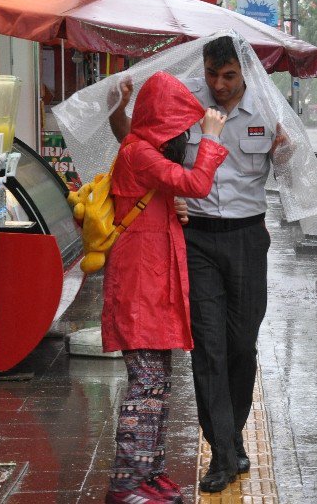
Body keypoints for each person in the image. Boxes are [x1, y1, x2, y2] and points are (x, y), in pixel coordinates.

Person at [110, 36, 285, 494]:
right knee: (208, 348)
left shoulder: (269, 109)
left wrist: (285, 151)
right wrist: (118, 113)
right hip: (198, 239)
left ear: (244, 72)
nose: (219, 85)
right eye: (212, 74)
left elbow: (289, 168)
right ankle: (222, 454)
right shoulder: (182, 102)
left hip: (248, 235)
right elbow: (141, 145)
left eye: (228, 76)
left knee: (241, 344)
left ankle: (232, 435)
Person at [103, 71, 229, 504]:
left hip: (153, 284)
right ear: (162, 123)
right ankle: (126, 484)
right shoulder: (140, 153)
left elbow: (174, 189)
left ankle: (149, 474)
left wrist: (118, 107)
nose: (186, 134)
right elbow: (197, 184)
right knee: (145, 385)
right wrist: (212, 138)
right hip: (141, 286)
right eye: (179, 126)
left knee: (158, 384)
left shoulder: (142, 150)